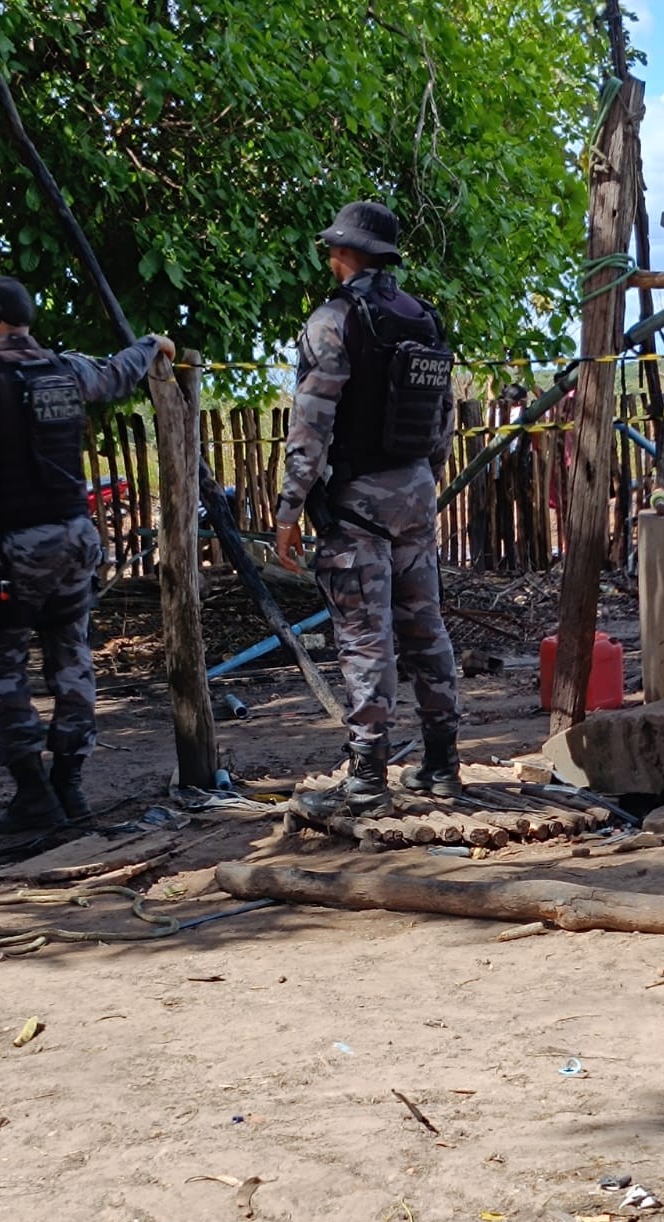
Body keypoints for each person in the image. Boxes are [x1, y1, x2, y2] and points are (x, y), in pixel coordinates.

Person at [0, 275, 174, 832]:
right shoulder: (65, 368)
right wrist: (151, 345)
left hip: (10, 547)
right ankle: (70, 786)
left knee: (1, 665)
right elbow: (117, 373)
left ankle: (34, 795)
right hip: (74, 540)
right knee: (72, 658)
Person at [275, 201, 459, 818]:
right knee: (425, 625)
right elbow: (442, 416)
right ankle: (441, 763)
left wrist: (288, 509)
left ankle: (367, 777)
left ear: (347, 254)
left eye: (333, 249)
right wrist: (424, 480)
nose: (329, 258)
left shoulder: (334, 321)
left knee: (364, 637)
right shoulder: (424, 319)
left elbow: (312, 422)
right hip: (414, 494)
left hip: (356, 503)